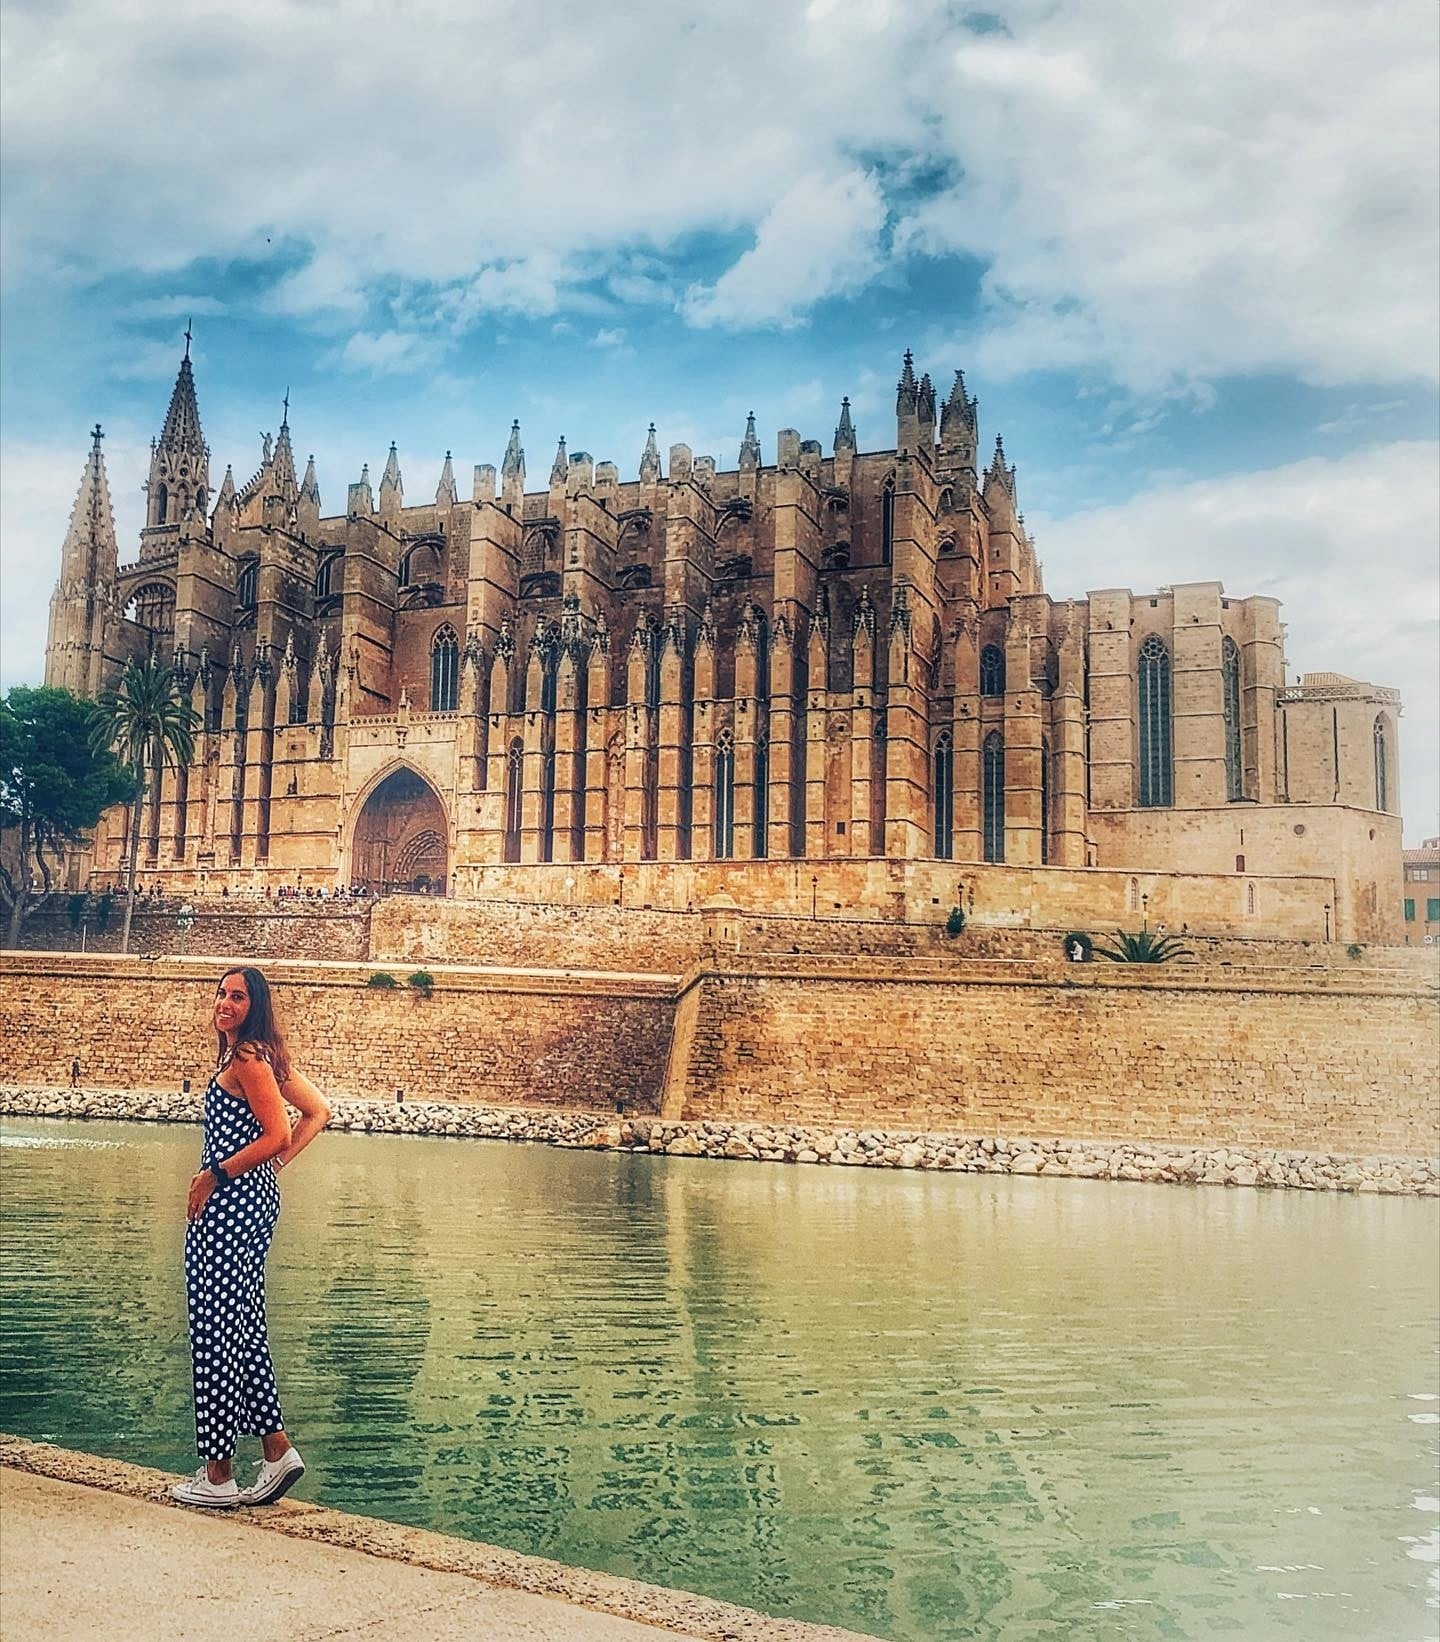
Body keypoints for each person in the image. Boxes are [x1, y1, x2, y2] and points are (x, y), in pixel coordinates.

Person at [170, 966, 330, 1510]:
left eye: (238, 996)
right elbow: (319, 1112)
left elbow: (280, 1132)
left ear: (254, 1005)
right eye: (221, 993)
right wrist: (271, 1169)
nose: (225, 1003)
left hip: (229, 1207)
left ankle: (218, 1475)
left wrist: (215, 1175)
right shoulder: (261, 1056)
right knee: (243, 1328)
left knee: (215, 1331)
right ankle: (277, 1450)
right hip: (250, 1203)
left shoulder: (246, 1059)